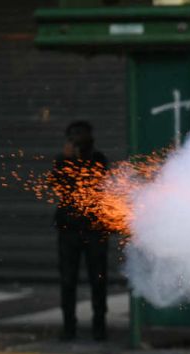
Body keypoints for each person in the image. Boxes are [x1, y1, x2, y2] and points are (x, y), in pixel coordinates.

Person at [52, 121, 110, 341]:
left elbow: (99, 183)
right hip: (69, 230)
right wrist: (67, 161)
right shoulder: (62, 161)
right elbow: (57, 186)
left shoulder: (98, 159)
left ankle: (99, 325)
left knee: (98, 279)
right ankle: (69, 327)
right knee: (68, 281)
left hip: (95, 229)